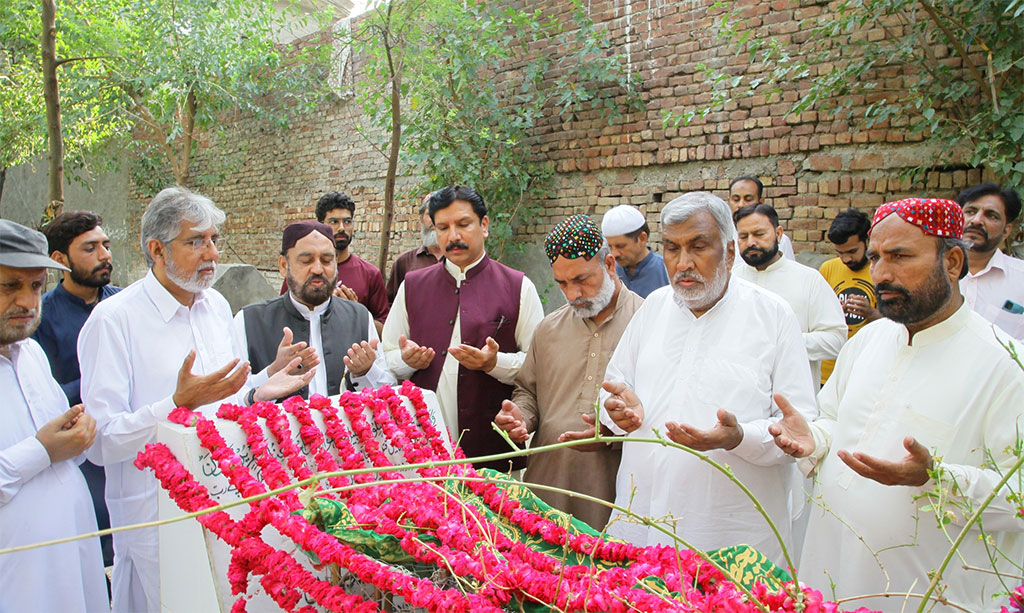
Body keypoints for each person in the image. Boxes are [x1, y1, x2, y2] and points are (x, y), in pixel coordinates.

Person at [770, 198, 1024, 612]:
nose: (881, 274)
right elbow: (836, 420)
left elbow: (1019, 497)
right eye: (875, 258)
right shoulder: (870, 340)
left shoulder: (1005, 366)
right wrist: (813, 437)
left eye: (900, 256)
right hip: (830, 573)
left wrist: (938, 479)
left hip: (926, 594)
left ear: (953, 262)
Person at [79, 186, 313, 613]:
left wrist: (262, 383)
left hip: (229, 499)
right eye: (195, 242)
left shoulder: (216, 306)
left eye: (213, 240)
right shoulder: (114, 321)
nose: (211, 254)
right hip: (158, 518)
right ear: (157, 249)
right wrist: (176, 405)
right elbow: (101, 442)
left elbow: (224, 400)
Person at [598, 192, 817, 563]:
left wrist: (739, 437)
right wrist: (616, 410)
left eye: (698, 247)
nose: (683, 263)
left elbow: (798, 430)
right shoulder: (653, 308)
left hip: (732, 537)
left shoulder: (773, 317)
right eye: (671, 248)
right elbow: (611, 393)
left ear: (729, 252)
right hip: (644, 521)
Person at [493, 215, 642, 529]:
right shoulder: (548, 329)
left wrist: (613, 434)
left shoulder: (647, 322)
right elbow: (528, 391)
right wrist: (519, 417)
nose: (574, 293)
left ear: (611, 265)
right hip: (549, 487)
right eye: (562, 283)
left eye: (582, 279)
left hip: (617, 492)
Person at [382, 185, 543, 471]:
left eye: (463, 224)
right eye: (443, 227)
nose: (453, 236)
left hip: (492, 448)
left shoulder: (518, 286)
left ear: (484, 225)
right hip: (423, 447)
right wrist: (406, 361)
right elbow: (386, 360)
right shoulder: (413, 286)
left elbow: (538, 365)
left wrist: (495, 363)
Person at [0, 219, 108, 612]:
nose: (28, 302)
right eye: (10, 286)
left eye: (35, 286)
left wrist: (76, 436)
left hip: (73, 560)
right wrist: (42, 450)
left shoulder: (28, 353)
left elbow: (58, 451)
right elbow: (41, 452)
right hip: (18, 577)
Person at [33, 210, 120, 573]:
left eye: (105, 245)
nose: (104, 255)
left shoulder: (122, 305)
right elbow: (43, 395)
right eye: (90, 248)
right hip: (78, 457)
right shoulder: (40, 318)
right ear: (59, 261)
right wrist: (96, 384)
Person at [234, 220, 395, 398]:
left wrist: (366, 371)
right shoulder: (249, 320)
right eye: (306, 261)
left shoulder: (359, 317)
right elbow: (230, 398)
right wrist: (272, 372)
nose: (318, 269)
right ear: (283, 265)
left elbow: (387, 389)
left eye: (326, 260)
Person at [732, 203, 846, 388]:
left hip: (793, 401)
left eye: (759, 234)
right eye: (743, 236)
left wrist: (784, 341)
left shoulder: (809, 280)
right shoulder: (731, 281)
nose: (751, 242)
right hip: (740, 398)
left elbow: (836, 340)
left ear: (778, 234)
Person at [283, 191, 390, 333]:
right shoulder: (300, 272)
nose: (341, 228)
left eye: (347, 221)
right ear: (320, 225)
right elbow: (283, 317)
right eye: (334, 222)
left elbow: (386, 332)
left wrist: (355, 312)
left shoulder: (370, 274)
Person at [818, 209, 880, 384]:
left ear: (867, 240)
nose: (846, 259)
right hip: (829, 371)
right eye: (840, 253)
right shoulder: (827, 269)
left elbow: (898, 325)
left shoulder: (882, 271)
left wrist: (871, 313)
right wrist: (835, 312)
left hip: (866, 369)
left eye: (852, 251)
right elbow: (816, 320)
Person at [955, 182, 1024, 339]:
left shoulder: (1021, 278)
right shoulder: (931, 273)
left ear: (1006, 230)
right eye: (970, 211)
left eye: (991, 215)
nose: (977, 220)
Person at [600, 204, 669, 298]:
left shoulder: (666, 271)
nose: (614, 254)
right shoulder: (607, 272)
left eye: (620, 246)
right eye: (610, 247)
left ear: (642, 238)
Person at [386, 193, 442, 304]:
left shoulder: (458, 259)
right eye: (430, 215)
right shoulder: (404, 262)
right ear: (421, 219)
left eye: (440, 215)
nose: (435, 221)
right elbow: (391, 305)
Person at [728, 176, 795, 260]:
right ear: (729, 201)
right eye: (736, 199)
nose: (741, 204)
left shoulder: (778, 239)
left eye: (748, 199)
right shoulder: (722, 237)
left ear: (761, 202)